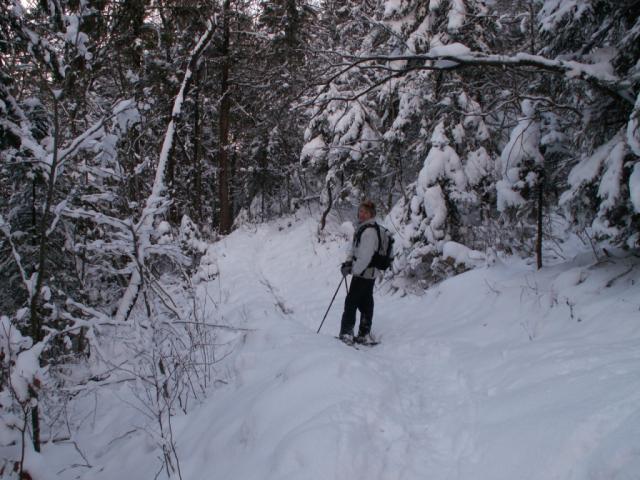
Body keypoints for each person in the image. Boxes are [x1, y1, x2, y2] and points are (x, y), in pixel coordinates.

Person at [339, 200, 379, 345]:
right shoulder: (365, 228)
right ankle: (363, 334)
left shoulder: (369, 232)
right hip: (369, 273)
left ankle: (347, 334)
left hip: (363, 273)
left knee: (351, 302)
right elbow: (355, 249)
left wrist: (353, 270)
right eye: (361, 211)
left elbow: (365, 257)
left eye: (365, 212)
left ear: (371, 214)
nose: (361, 214)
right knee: (366, 302)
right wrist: (348, 262)